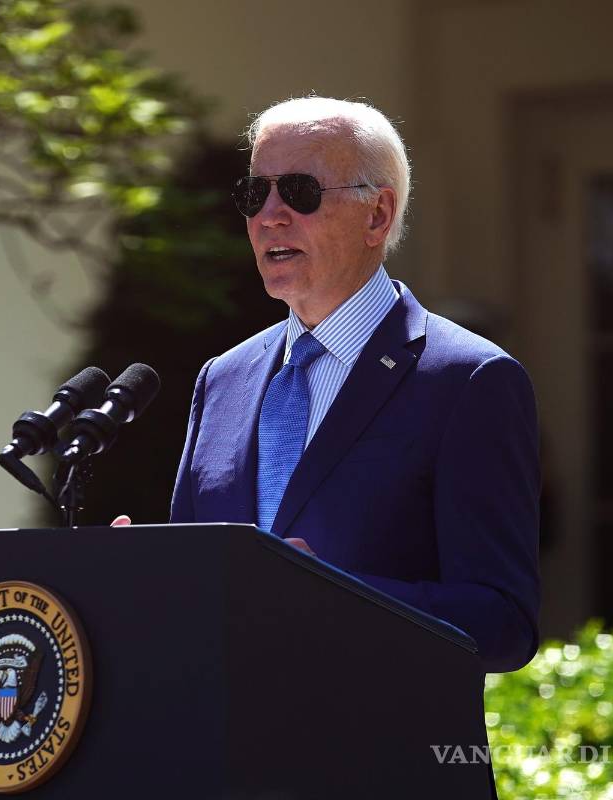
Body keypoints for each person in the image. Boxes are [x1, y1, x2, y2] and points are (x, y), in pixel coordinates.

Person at [159, 96, 540, 674]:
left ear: (378, 216)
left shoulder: (469, 379)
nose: (270, 216)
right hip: (227, 756)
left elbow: (504, 623)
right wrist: (144, 572)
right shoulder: (222, 379)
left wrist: (335, 596)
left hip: (379, 756)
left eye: (300, 192)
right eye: (254, 194)